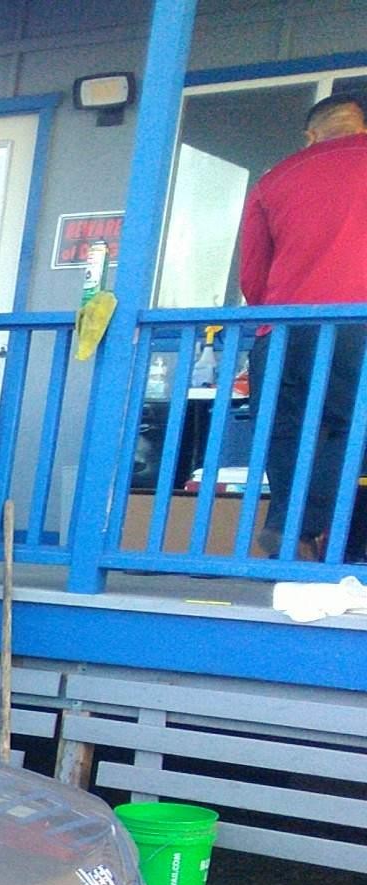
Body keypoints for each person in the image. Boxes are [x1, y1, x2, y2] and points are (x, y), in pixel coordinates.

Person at [237, 91, 367, 560]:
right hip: (358, 326)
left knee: (286, 430)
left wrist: (270, 315)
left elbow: (253, 273)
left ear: (311, 136)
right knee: (349, 427)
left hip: (283, 330)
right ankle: (309, 528)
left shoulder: (274, 180)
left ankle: (288, 527)